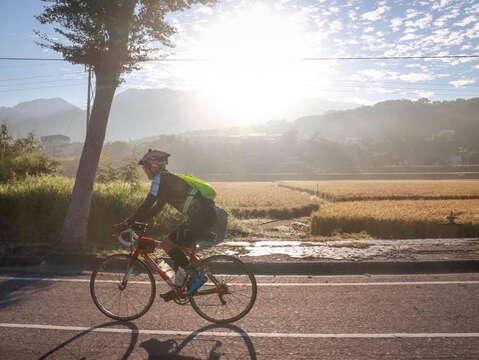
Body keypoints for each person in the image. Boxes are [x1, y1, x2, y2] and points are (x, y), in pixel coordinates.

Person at [112, 149, 217, 300]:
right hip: (205, 216)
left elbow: (147, 204)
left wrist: (126, 223)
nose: (144, 171)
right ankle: (179, 288)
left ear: (153, 166)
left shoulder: (161, 179)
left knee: (167, 244)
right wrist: (140, 221)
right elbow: (157, 208)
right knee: (178, 250)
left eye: (145, 167)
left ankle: (196, 276)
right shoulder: (167, 181)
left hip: (201, 218)